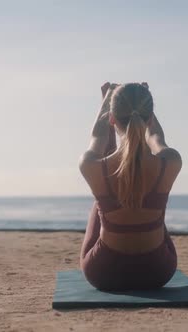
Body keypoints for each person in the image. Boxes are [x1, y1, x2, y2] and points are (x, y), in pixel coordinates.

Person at [78, 82, 182, 291]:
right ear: (150, 118)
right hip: (158, 271)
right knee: (150, 202)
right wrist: (143, 103)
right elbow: (155, 137)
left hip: (104, 273)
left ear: (112, 119)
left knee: (101, 198)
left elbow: (98, 137)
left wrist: (107, 98)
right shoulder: (171, 162)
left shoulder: (89, 166)